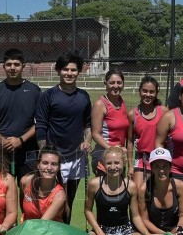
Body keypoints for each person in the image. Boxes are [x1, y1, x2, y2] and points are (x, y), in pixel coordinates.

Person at [35, 51, 92, 221]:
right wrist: (45, 154)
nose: (69, 73)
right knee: (52, 200)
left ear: (78, 72)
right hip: (55, 158)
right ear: (58, 70)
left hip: (76, 157)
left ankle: (65, 233)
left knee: (69, 199)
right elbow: (41, 126)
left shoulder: (84, 97)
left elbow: (88, 124)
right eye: (66, 69)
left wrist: (88, 141)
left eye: (73, 70)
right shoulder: (48, 96)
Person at [0, 48, 42, 180]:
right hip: (2, 150)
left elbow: (40, 123)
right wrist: (1, 139)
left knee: (28, 190)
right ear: (4, 66)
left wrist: (21, 140)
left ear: (23, 66)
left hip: (28, 149)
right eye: (9, 64)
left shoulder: (34, 91)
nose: (12, 68)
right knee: (2, 189)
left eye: (16, 64)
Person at [84, 146, 153, 235]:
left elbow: (135, 216)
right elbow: (87, 210)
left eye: (117, 163)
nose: (113, 167)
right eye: (109, 163)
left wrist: (147, 234)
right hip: (101, 229)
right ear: (103, 164)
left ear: (124, 163)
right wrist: (99, 232)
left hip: (126, 230)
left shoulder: (131, 186)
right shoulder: (94, 184)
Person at [137, 147, 183, 235]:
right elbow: (144, 220)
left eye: (165, 166)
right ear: (152, 168)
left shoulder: (181, 187)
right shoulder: (143, 189)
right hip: (153, 231)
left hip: (174, 230)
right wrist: (163, 234)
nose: (161, 170)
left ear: (171, 167)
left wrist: (178, 228)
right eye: (157, 166)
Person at [127, 76, 164, 189]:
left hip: (159, 159)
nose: (148, 95)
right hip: (141, 160)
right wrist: (130, 166)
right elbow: (129, 141)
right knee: (139, 194)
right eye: (145, 91)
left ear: (156, 93)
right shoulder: (132, 114)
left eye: (152, 92)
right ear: (140, 92)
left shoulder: (164, 112)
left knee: (156, 195)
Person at [90, 68, 129, 175]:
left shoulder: (122, 102)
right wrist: (111, 149)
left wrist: (119, 152)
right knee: (105, 190)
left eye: (119, 83)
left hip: (119, 157)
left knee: (120, 190)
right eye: (112, 83)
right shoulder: (100, 104)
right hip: (104, 156)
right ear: (105, 84)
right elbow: (95, 134)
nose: (115, 86)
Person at [19, 145, 67, 222]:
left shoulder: (59, 195)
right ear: (38, 165)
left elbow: (42, 224)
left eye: (54, 164)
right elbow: (23, 208)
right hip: (27, 230)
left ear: (59, 168)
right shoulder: (25, 181)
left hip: (49, 232)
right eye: (45, 163)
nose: (49, 168)